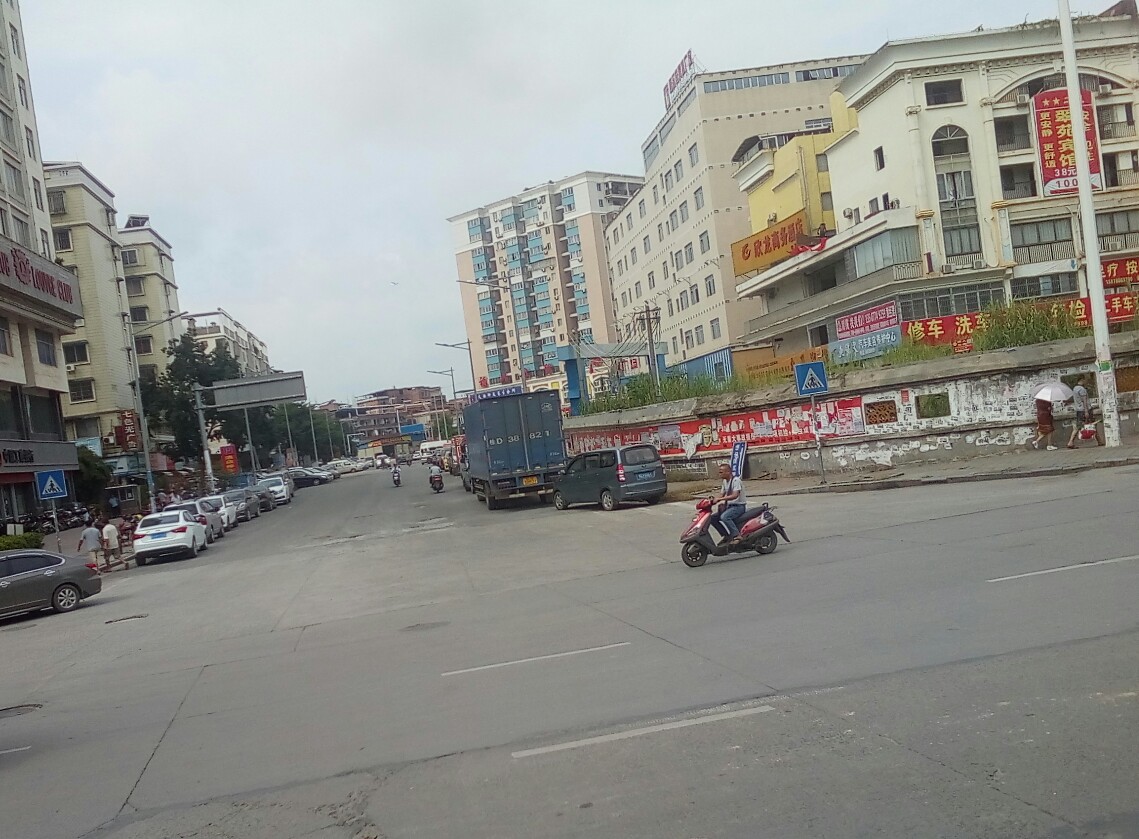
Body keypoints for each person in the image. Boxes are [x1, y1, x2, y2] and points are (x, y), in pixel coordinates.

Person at [710, 462, 747, 544]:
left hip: (738, 507)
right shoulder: (725, 481)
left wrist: (720, 499)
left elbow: (735, 495)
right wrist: (713, 500)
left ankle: (737, 535)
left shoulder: (736, 480)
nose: (719, 474)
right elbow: (722, 493)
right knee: (712, 518)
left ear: (728, 472)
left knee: (724, 517)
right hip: (730, 507)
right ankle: (726, 536)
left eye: (721, 472)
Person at [1067, 375, 1104, 448]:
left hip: (1079, 410)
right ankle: (1099, 441)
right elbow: (1084, 401)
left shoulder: (1075, 388)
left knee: (1078, 426)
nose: (1086, 381)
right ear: (1082, 380)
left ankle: (1071, 442)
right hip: (1085, 410)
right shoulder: (1082, 389)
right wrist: (1086, 411)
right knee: (1092, 424)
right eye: (1085, 380)